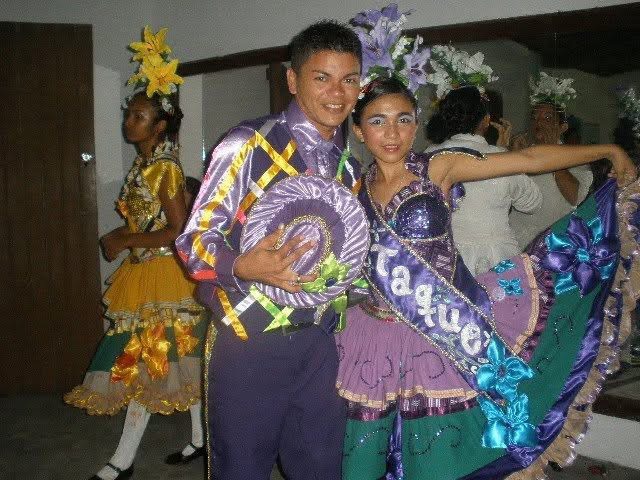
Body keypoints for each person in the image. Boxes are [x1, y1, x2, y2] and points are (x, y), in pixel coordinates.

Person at [335, 73, 639, 480]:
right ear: (358, 129)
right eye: (378, 121)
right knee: (368, 453)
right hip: (374, 336)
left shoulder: (437, 168)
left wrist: (608, 150)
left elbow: (528, 160)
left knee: (439, 454)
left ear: (417, 123)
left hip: (443, 333)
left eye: (403, 119)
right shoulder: (352, 185)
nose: (392, 133)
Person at [175, 20, 362, 480]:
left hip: (322, 342)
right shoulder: (248, 144)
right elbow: (194, 240)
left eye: (349, 79)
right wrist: (240, 264)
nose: (337, 93)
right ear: (293, 80)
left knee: (322, 469)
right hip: (248, 338)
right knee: (241, 469)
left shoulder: (350, 167)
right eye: (322, 77)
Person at [65, 28, 207, 480]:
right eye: (129, 114)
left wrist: (124, 239)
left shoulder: (165, 168)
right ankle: (201, 438)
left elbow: (177, 230)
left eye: (139, 116)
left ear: (159, 125)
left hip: (163, 275)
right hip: (145, 272)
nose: (130, 121)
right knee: (179, 363)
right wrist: (125, 237)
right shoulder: (145, 165)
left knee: (147, 363)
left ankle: (122, 460)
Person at [425, 85, 541, 275]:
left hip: (444, 258)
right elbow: (532, 203)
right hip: (498, 260)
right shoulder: (503, 159)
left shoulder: (428, 156)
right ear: (486, 120)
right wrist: (506, 152)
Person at [510, 73, 593, 250]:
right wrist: (512, 157)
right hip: (516, 239)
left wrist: (553, 154)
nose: (539, 123)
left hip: (553, 243)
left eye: (547, 118)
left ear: (562, 127)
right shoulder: (523, 153)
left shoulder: (576, 158)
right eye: (535, 117)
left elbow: (574, 197)